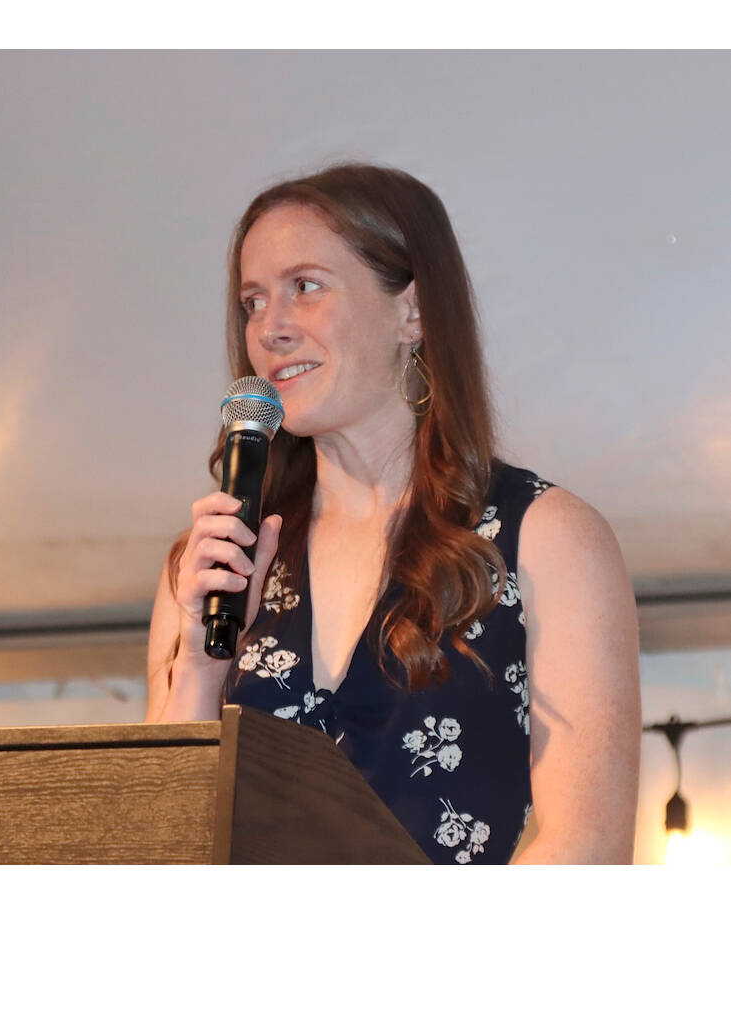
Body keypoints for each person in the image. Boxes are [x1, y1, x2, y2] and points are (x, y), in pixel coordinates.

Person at [144, 163, 640, 864]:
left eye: (304, 287)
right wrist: (197, 662)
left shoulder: (544, 536)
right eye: (251, 301)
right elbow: (155, 853)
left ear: (412, 312)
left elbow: (583, 848)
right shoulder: (207, 565)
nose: (269, 329)